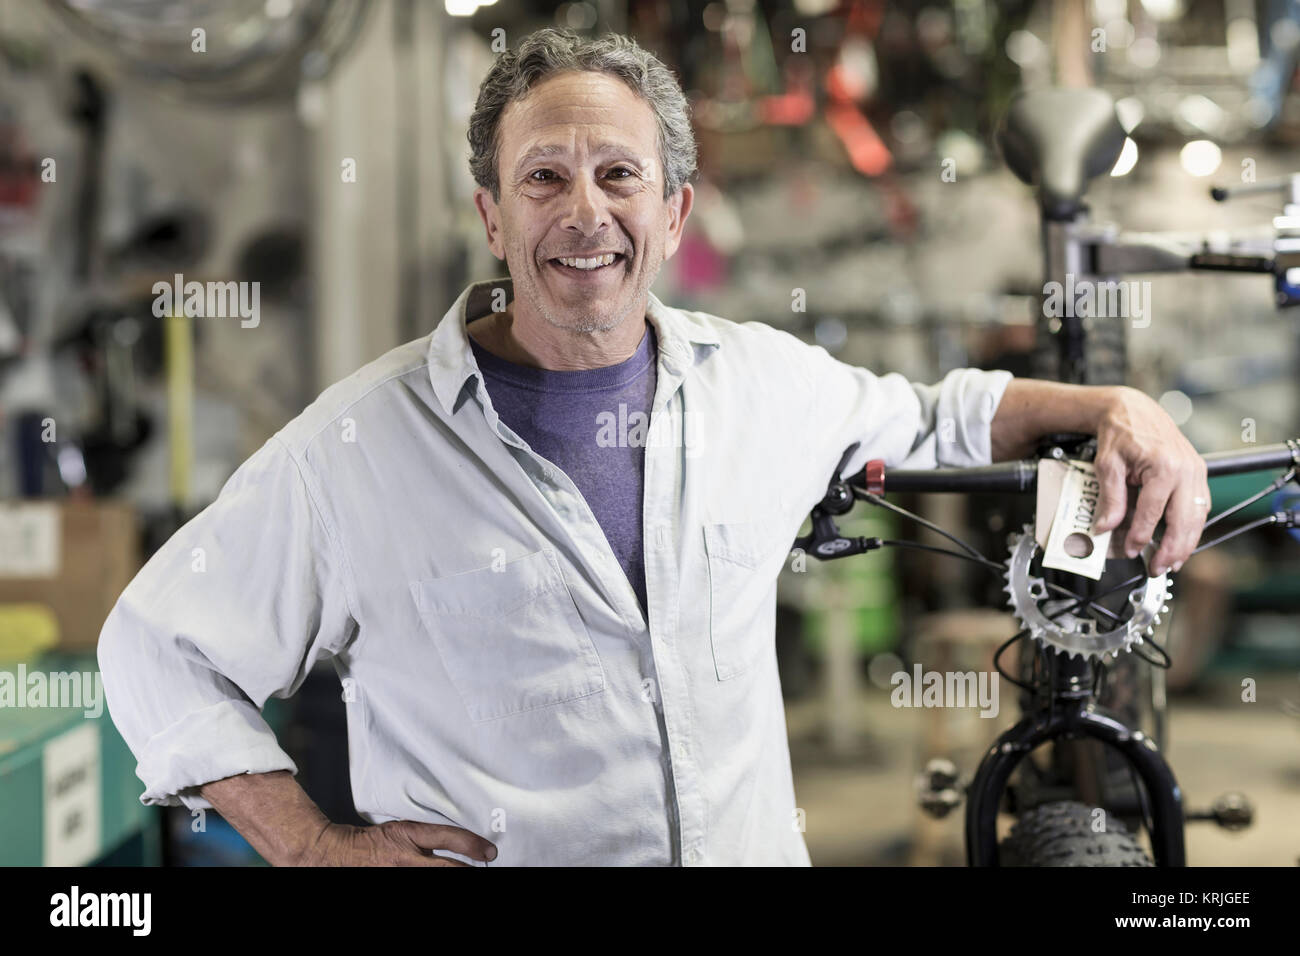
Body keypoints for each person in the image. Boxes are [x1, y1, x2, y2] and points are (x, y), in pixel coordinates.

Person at [98, 28, 1210, 866]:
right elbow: (158, 647)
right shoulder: (357, 446)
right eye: (543, 176)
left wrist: (1116, 405)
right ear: (493, 216)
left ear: (673, 213)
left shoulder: (763, 388)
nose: (584, 211)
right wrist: (307, 843)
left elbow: (940, 414)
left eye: (617, 174)